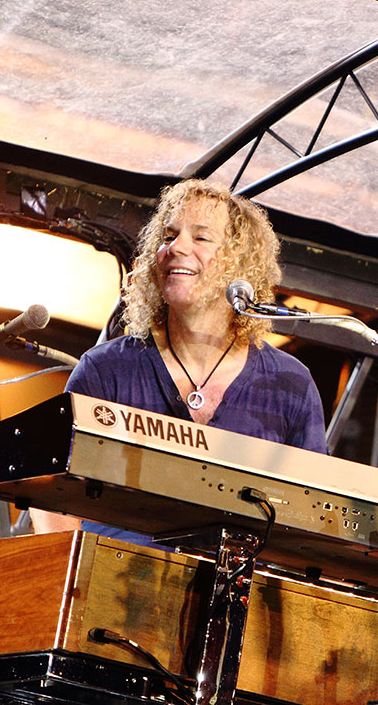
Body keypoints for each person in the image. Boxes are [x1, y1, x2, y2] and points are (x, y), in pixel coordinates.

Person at [32, 179, 328, 541]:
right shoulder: (105, 369)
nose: (176, 247)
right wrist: (71, 566)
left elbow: (311, 515)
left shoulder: (290, 384)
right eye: (168, 236)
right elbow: (50, 492)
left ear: (242, 263)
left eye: (201, 237)